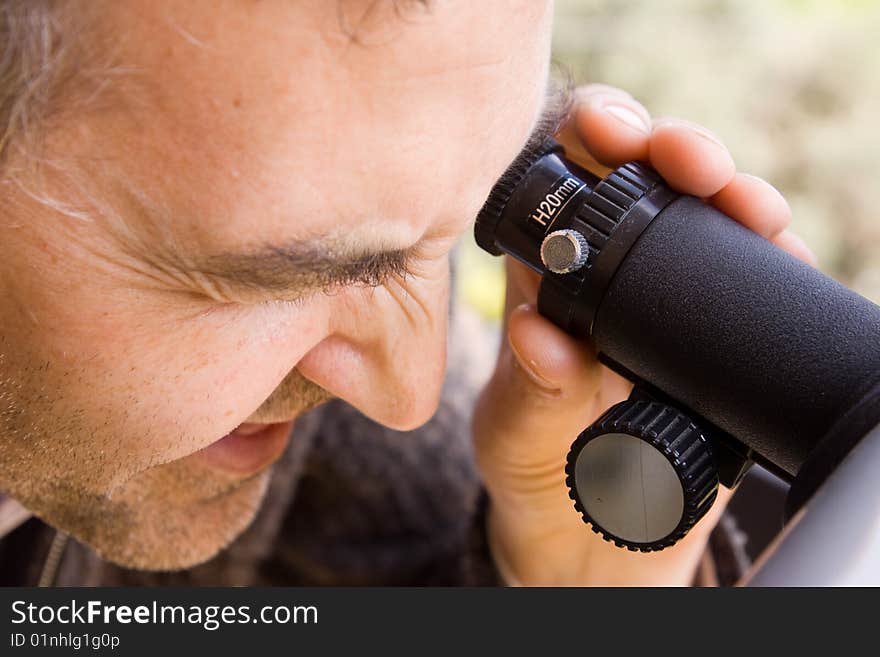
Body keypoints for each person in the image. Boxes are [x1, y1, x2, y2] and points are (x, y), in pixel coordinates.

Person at [0, 0, 814, 586]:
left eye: (450, 232)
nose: (408, 396)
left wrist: (565, 578)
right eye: (272, 283)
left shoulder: (294, 432)